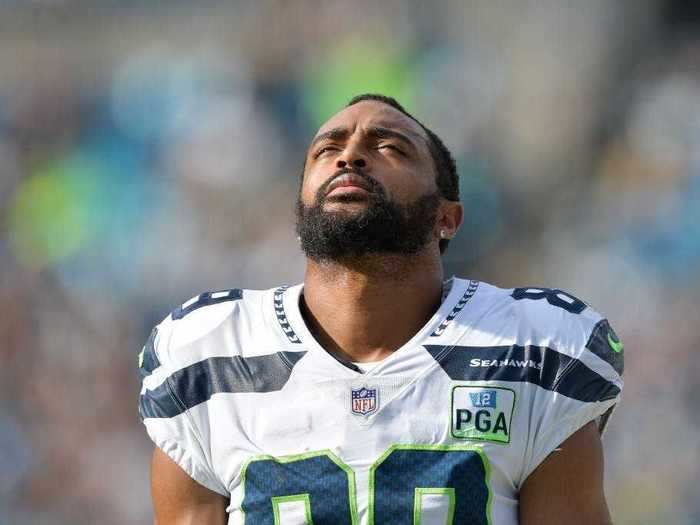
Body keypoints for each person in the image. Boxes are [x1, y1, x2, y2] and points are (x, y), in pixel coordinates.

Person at [138, 94, 624, 524]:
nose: (349, 156)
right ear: (301, 204)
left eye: (390, 147)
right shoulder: (208, 358)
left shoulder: (533, 351)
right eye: (327, 150)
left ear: (446, 218)